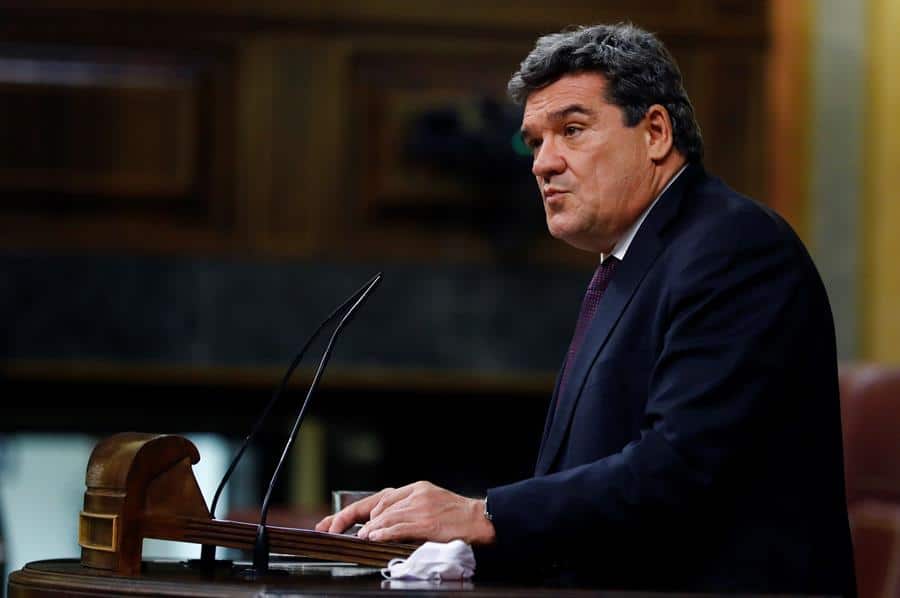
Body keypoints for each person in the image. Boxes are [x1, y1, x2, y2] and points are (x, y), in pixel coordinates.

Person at [317, 23, 856, 595]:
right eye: (535, 141)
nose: (542, 164)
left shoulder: (734, 247)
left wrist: (483, 514)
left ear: (654, 132)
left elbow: (679, 470)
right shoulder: (635, 260)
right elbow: (590, 496)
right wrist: (455, 550)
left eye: (571, 131)